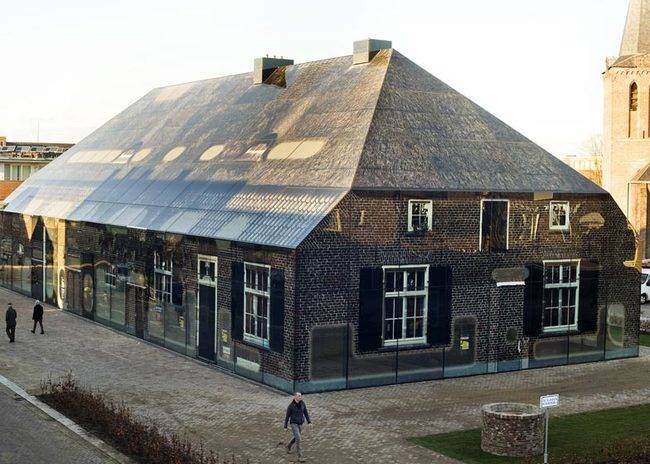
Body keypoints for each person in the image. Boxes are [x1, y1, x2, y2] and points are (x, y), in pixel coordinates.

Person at [284, 392, 311, 462]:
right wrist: (285, 426)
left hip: (300, 423)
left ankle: (289, 446)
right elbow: (287, 417)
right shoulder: (291, 406)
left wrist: (309, 421)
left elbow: (305, 412)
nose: (300, 397)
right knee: (298, 439)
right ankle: (300, 457)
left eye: (301, 396)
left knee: (296, 437)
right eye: (299, 396)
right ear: (295, 397)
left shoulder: (302, 403)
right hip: (294, 423)